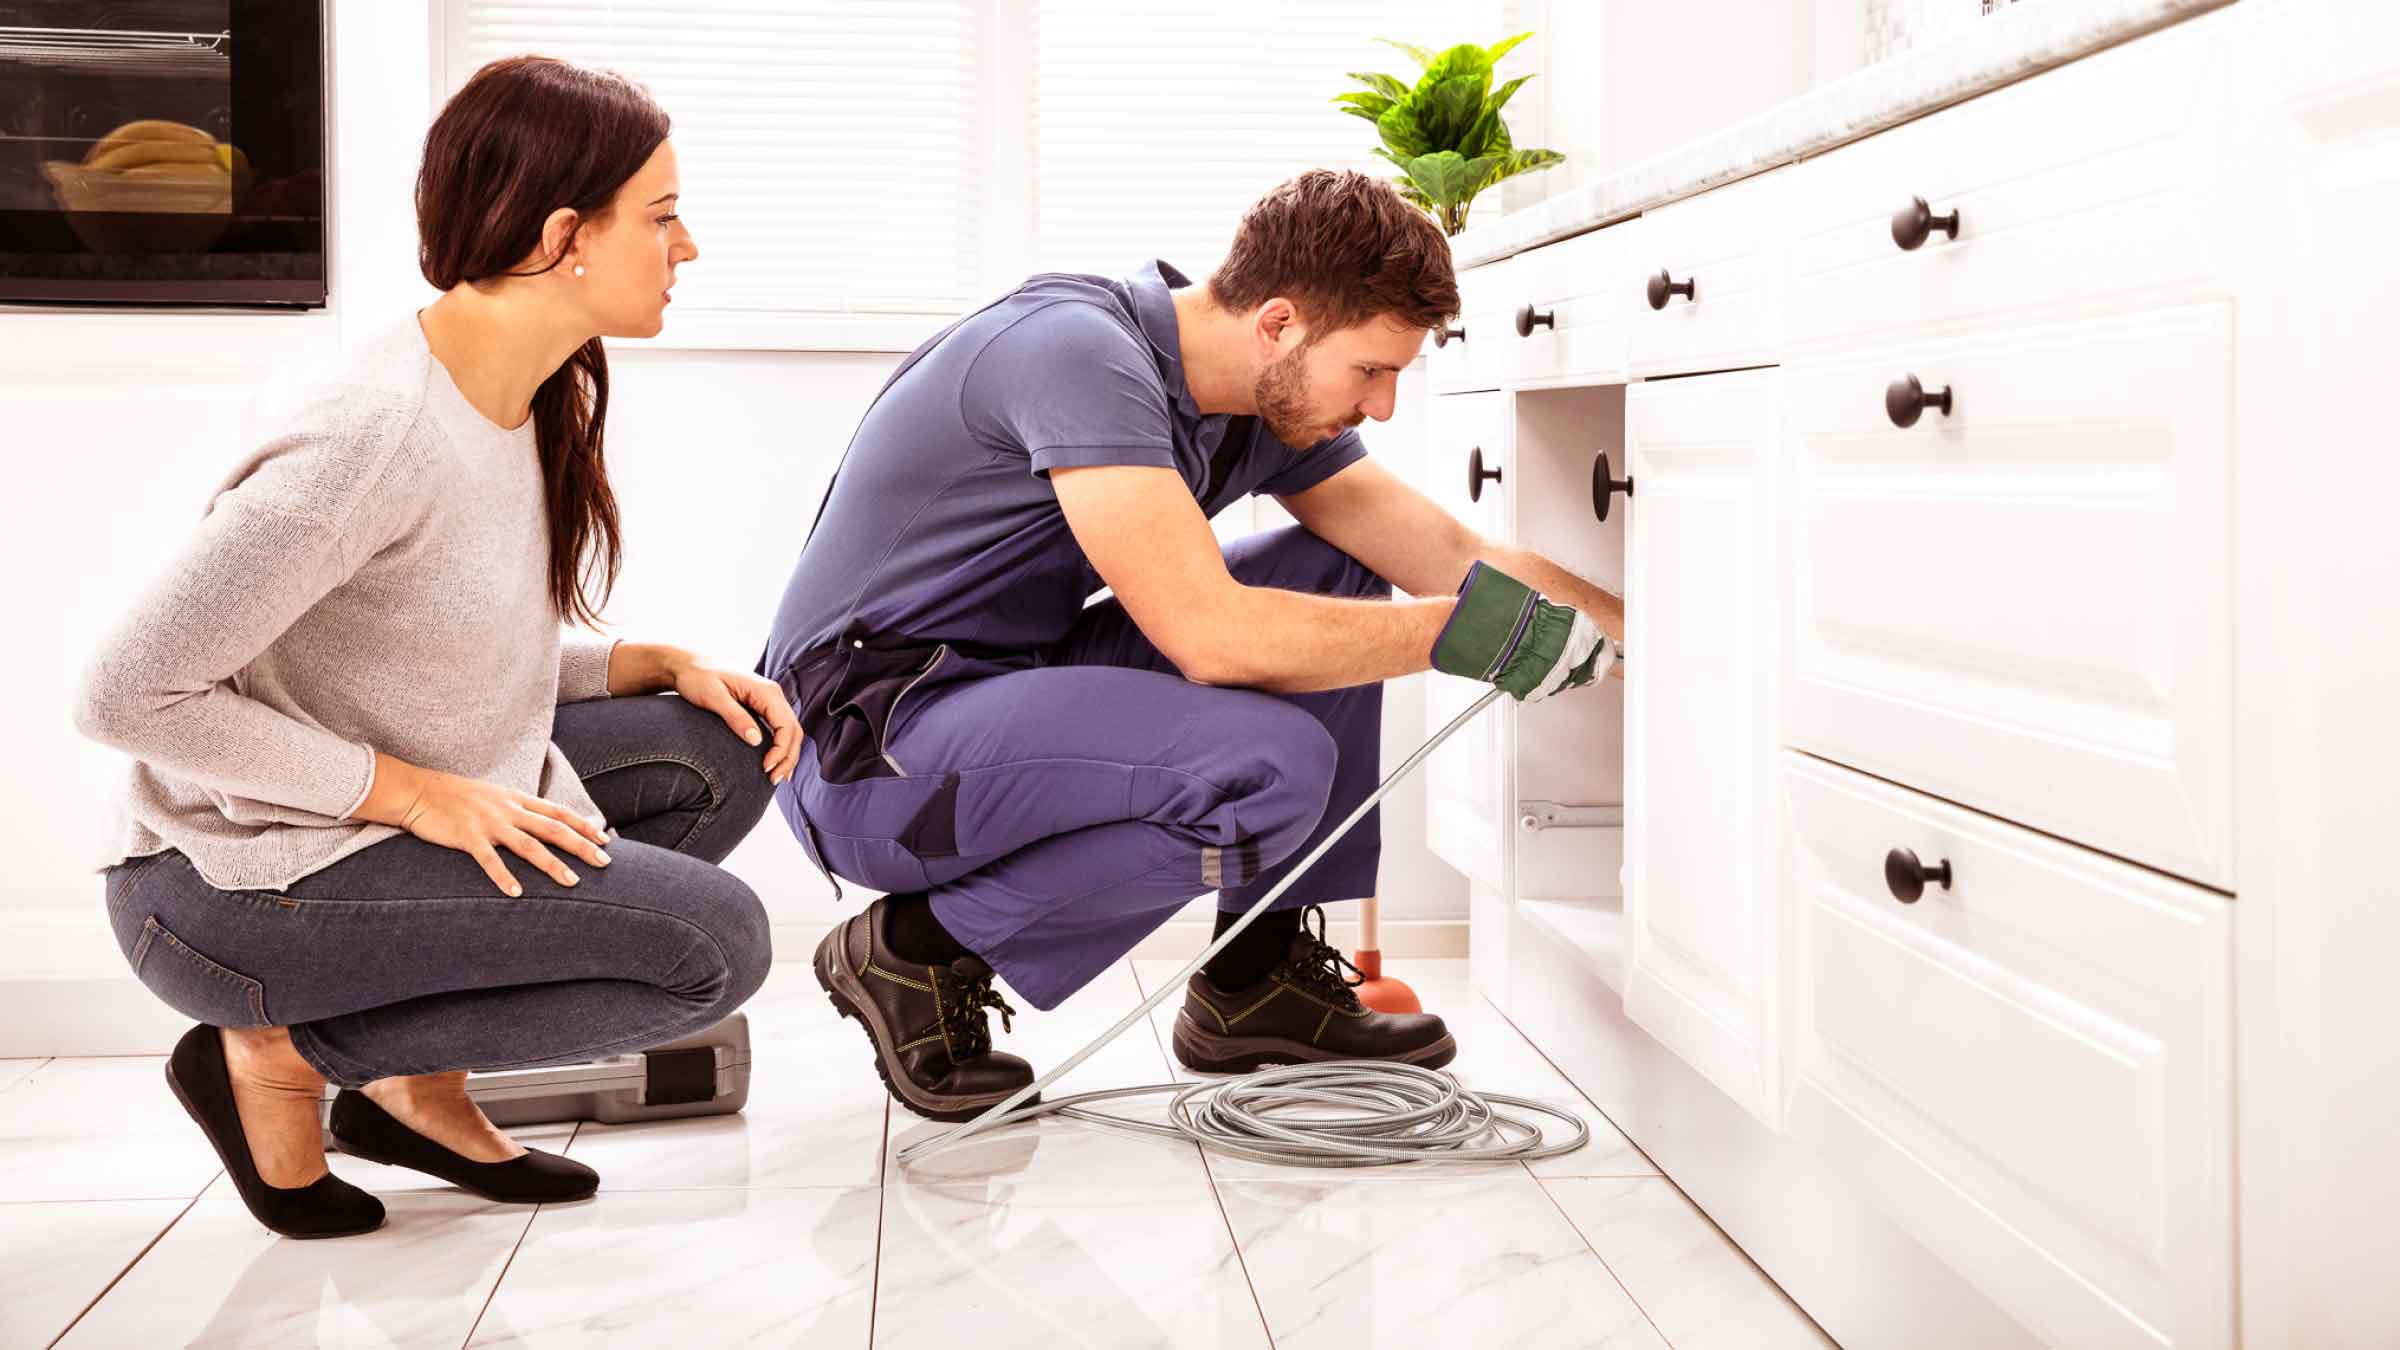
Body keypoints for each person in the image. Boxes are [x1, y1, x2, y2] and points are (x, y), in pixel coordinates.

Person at [71, 56, 798, 1240]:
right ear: (567, 235)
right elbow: (125, 694)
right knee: (712, 946)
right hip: (227, 886)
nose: (688, 247)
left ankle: (417, 1094)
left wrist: (645, 664)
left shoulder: (520, 390)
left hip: (344, 833)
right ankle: (277, 1058)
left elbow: (425, 643)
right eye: (662, 218)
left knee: (707, 748)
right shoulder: (371, 434)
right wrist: (413, 797)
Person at [757, 169, 1621, 1123]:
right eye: (1371, 370)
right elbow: (1212, 638)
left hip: (1001, 692)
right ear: (1280, 324)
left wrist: (1648, 636)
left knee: (1327, 568)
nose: (1382, 408)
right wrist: (1472, 639)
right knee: (1269, 766)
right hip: (864, 744)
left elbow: (1451, 557)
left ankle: (1257, 978)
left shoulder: (1259, 404)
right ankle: (918, 949)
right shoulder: (1073, 353)